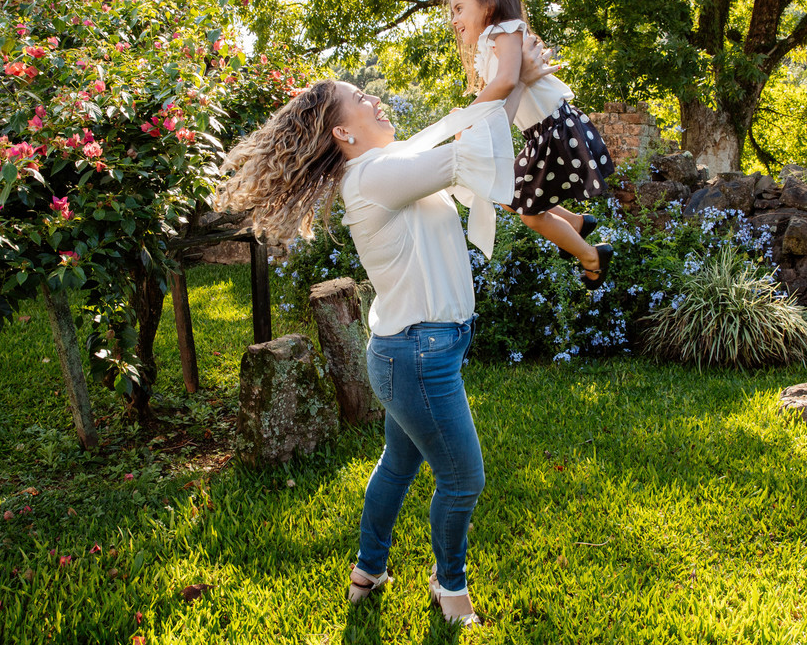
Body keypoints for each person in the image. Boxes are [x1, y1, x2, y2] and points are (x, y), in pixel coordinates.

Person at [214, 38, 559, 627]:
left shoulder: (390, 165)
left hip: (411, 352)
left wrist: (515, 81)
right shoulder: (375, 175)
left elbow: (467, 141)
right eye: (360, 98)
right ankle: (450, 586)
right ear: (341, 132)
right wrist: (510, 74)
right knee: (462, 478)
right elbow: (469, 147)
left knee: (398, 466)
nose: (374, 100)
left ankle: (368, 570)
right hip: (418, 355)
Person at [445, 0, 617, 288]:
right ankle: (577, 224)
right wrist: (469, 112)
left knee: (530, 214)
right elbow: (498, 92)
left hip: (555, 131)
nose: (454, 19)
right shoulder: (494, 43)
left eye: (459, 9)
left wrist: (468, 115)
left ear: (489, 6)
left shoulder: (507, 31)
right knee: (507, 195)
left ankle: (593, 256)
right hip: (542, 134)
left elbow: (508, 82)